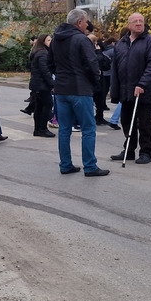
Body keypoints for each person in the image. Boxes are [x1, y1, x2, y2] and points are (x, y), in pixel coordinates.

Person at [48, 9, 109, 176]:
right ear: (79, 22)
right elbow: (91, 63)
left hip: (61, 89)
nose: (87, 24)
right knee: (88, 128)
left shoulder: (55, 39)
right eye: (86, 21)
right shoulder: (81, 39)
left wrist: (58, 78)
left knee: (64, 129)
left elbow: (50, 63)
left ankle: (65, 164)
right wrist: (95, 80)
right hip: (80, 89)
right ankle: (90, 166)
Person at [109, 13, 151, 165]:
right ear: (129, 25)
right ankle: (129, 149)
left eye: (141, 21)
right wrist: (115, 89)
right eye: (135, 21)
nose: (138, 24)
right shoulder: (122, 43)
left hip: (142, 90)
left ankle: (145, 152)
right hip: (125, 89)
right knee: (126, 121)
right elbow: (115, 67)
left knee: (144, 123)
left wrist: (142, 84)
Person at [28, 34, 56, 137]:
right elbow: (45, 71)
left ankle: (38, 129)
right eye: (48, 40)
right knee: (47, 105)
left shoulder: (39, 52)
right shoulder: (43, 53)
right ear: (42, 42)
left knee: (39, 107)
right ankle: (42, 128)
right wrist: (52, 84)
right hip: (41, 85)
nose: (50, 42)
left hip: (38, 84)